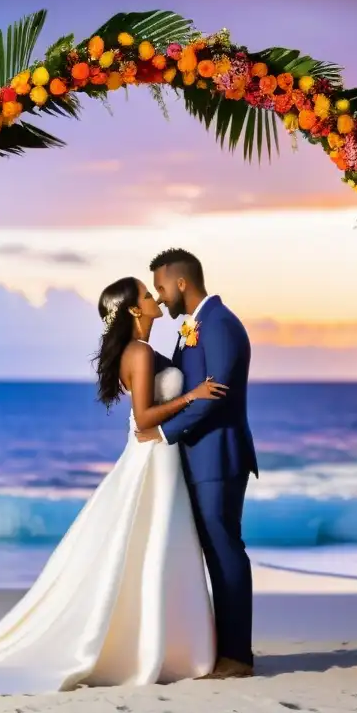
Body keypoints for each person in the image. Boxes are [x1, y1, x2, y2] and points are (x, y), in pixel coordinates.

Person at [0, 276, 228, 694]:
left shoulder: (141, 351)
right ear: (135, 310)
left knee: (155, 550)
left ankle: (164, 644)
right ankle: (157, 646)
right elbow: (145, 420)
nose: (154, 300)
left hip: (160, 459)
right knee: (150, 547)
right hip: (153, 457)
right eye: (148, 296)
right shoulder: (139, 352)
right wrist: (194, 396)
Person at [136, 247, 258, 679]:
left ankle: (237, 656)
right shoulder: (194, 327)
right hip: (199, 455)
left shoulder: (220, 324)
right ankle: (218, 649)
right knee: (211, 549)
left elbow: (217, 392)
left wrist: (163, 431)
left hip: (218, 455)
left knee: (225, 551)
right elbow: (185, 384)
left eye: (161, 287)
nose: (161, 295)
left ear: (181, 282)